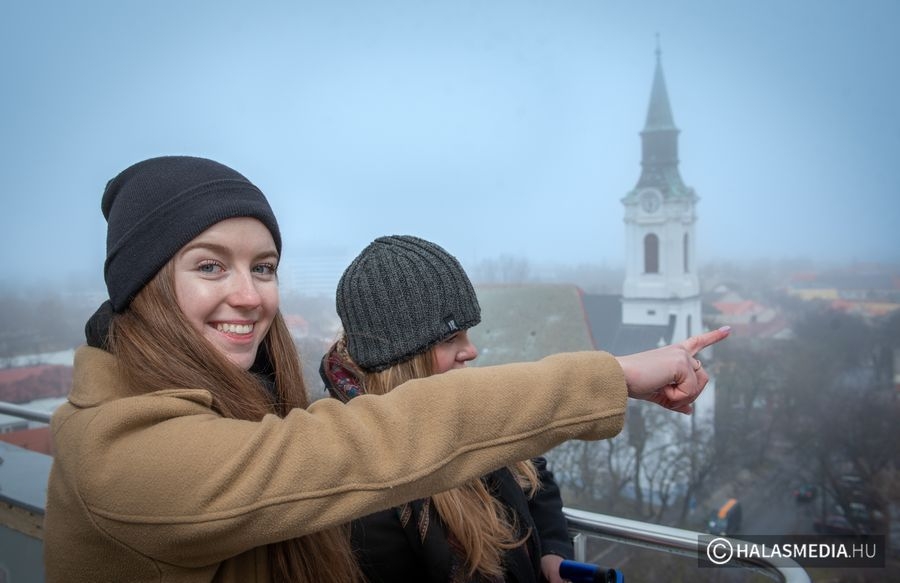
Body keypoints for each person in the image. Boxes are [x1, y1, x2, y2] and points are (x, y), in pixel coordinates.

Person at [43, 155, 729, 583]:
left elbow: (528, 474)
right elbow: (368, 444)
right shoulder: (124, 455)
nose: (249, 295)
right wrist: (612, 377)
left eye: (264, 266)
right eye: (209, 265)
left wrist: (548, 551)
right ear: (143, 286)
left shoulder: (241, 405)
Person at [319, 234, 574, 583]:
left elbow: (533, 475)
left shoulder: (468, 406)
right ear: (403, 358)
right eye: (451, 338)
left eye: (466, 334)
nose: (471, 351)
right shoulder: (365, 490)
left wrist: (553, 550)